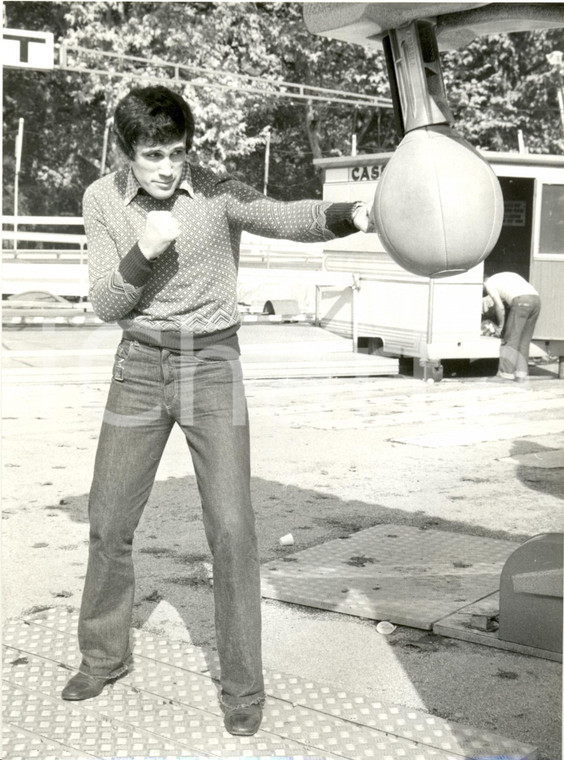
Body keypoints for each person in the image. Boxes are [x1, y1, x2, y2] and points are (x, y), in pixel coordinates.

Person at [61, 85, 371, 736]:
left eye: (176, 152)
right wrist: (144, 250)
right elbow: (105, 304)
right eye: (153, 155)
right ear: (127, 153)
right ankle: (104, 656)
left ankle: (242, 691)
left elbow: (287, 217)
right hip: (139, 367)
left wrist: (348, 213)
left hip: (212, 366)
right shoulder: (101, 200)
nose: (167, 168)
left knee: (232, 531)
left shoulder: (217, 190)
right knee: (109, 518)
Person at [482, 271, 541, 382]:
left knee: (510, 339)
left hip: (521, 301)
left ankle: (505, 375)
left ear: (482, 283)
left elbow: (500, 307)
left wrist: (501, 326)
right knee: (524, 340)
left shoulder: (488, 283)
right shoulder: (504, 276)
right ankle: (521, 374)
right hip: (536, 300)